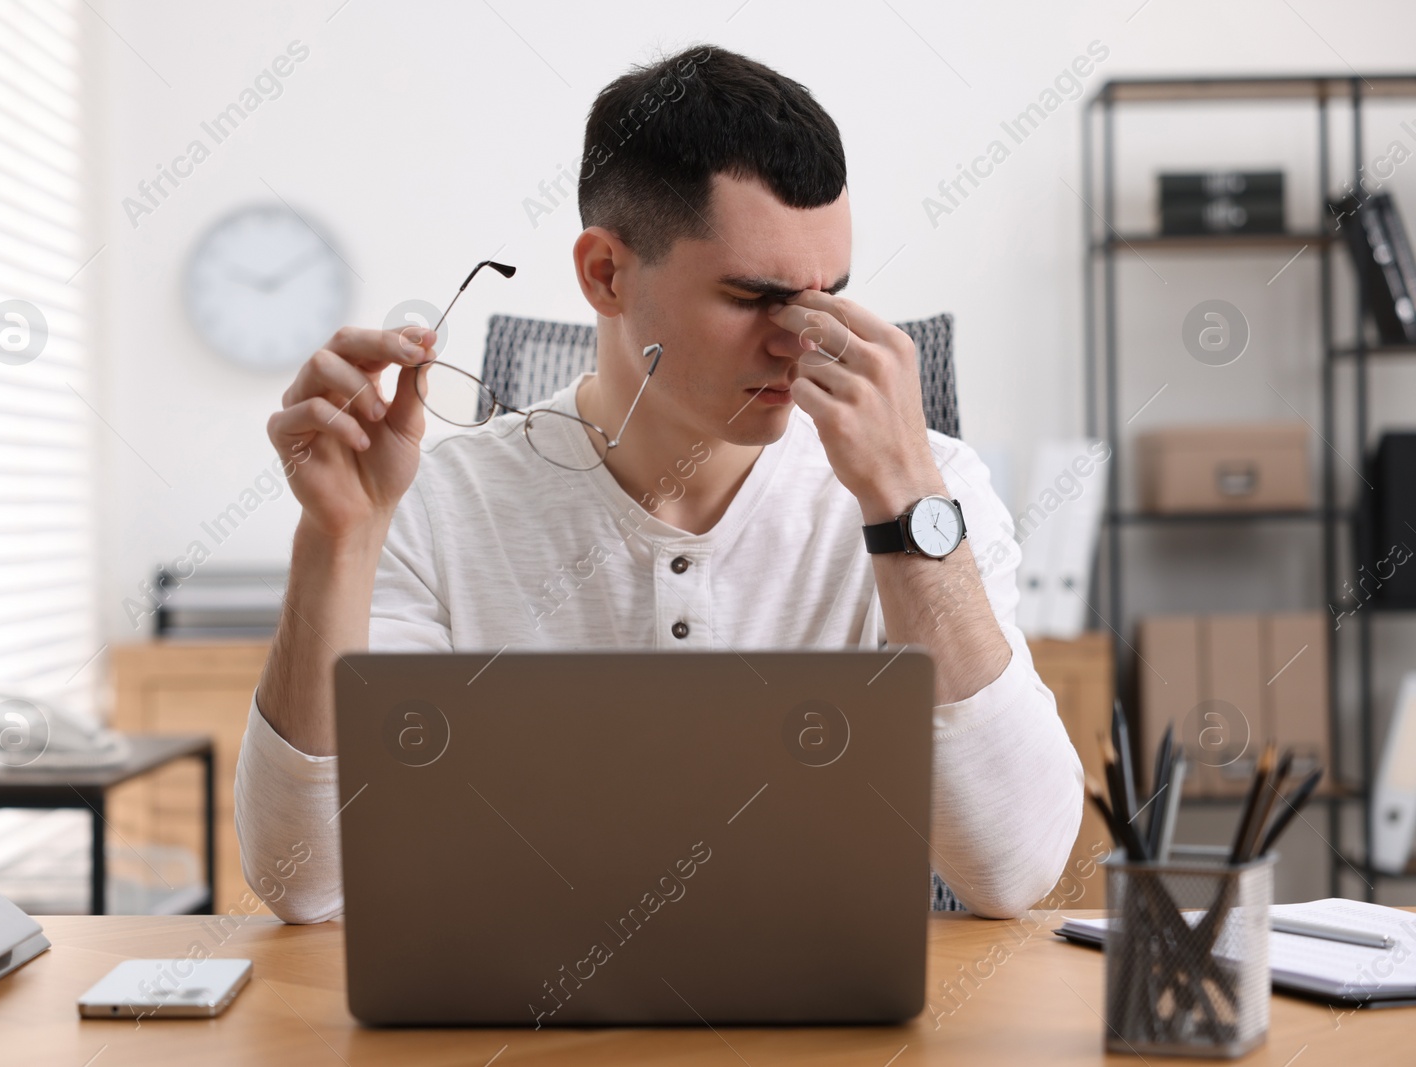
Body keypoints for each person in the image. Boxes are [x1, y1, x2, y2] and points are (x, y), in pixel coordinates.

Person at [234, 43, 1083, 923]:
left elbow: (1013, 872)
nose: (803, 340)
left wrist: (906, 505)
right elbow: (304, 880)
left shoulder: (929, 492)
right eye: (755, 298)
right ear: (605, 273)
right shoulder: (438, 503)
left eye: (828, 294)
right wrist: (339, 539)